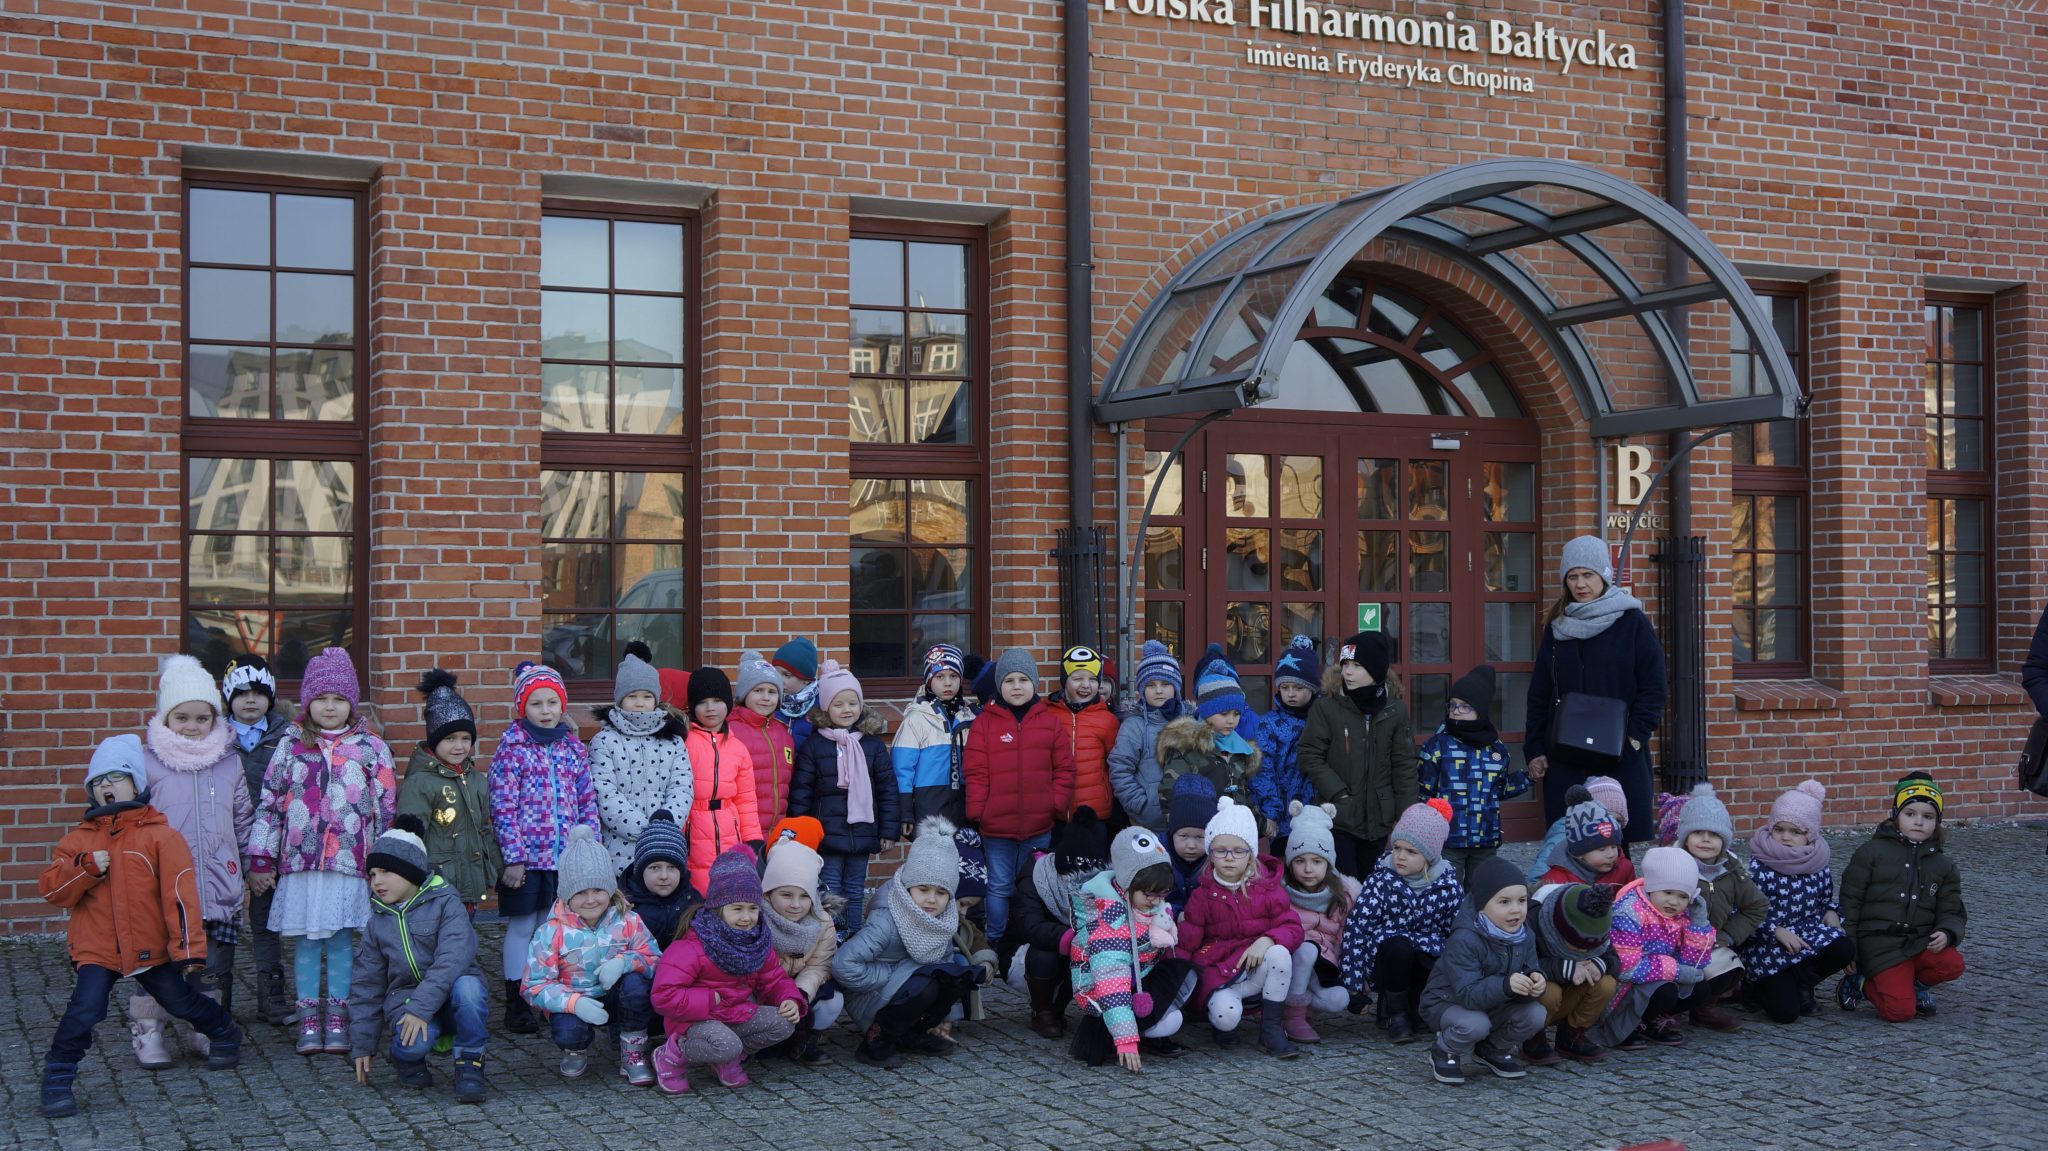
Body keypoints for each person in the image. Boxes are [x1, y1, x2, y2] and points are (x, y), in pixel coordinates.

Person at [38, 737, 245, 1118]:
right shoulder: (77, 841)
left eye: (116, 777)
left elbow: (180, 897)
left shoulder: (161, 837)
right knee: (85, 1010)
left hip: (150, 947)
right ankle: (58, 1077)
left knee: (179, 1001)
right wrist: (84, 868)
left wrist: (188, 949)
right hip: (97, 948)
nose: (106, 785)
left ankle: (224, 1032)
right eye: (98, 780)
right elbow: (53, 891)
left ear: (136, 784)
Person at [247, 646, 396, 1057]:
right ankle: (309, 1016)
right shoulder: (290, 746)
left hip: (349, 864)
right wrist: (261, 857)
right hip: (303, 864)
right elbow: (270, 804)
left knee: (343, 941)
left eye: (339, 699)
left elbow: (385, 809)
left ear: (352, 702)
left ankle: (339, 1014)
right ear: (307, 701)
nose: (330, 707)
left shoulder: (371, 748)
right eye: (321, 698)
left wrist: (385, 864)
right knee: (309, 941)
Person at [133, 654, 250, 1065]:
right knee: (157, 960)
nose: (192, 726)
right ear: (166, 718)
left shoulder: (228, 762)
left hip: (217, 882)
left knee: (209, 962)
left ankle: (204, 1027)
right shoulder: (147, 763)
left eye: (203, 718)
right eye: (182, 717)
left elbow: (243, 819)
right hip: (162, 885)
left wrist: (250, 867)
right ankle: (149, 1032)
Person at [1522, 534, 1667, 841]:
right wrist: (1535, 748)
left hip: (1618, 752)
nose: (1580, 584)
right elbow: (1540, 693)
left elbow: (1654, 686)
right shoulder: (1557, 626)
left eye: (1588, 574)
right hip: (1565, 753)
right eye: (1572, 576)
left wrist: (1635, 737)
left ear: (1604, 575)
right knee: (1567, 840)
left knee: (1615, 841)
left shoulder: (1632, 622)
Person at [488, 660, 598, 1036]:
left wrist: (589, 851)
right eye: (537, 704)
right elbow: (502, 807)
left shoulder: (573, 749)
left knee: (555, 928)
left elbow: (587, 802)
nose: (546, 711)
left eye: (552, 703)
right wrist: (514, 857)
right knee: (524, 926)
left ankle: (549, 995)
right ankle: (516, 1000)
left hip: (564, 859)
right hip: (527, 859)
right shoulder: (512, 749)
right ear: (523, 708)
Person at [831, 816, 994, 1068]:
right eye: (923, 890)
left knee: (955, 975)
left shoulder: (942, 920)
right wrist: (892, 975)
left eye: (941, 893)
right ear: (908, 888)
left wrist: (944, 1016)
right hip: (872, 997)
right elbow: (843, 964)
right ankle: (875, 1042)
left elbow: (944, 963)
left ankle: (912, 1033)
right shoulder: (886, 920)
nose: (932, 899)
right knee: (924, 983)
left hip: (906, 989)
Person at [347, 815, 488, 1102]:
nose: (376, 881)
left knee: (470, 988)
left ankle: (470, 1062)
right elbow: (367, 986)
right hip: (406, 999)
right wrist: (362, 1045)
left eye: (386, 872)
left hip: (450, 993)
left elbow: (452, 959)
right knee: (413, 1045)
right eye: (372, 874)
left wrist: (421, 1008)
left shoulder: (447, 904)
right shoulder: (376, 922)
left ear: (410, 872)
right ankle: (406, 1059)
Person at [649, 846, 805, 1094]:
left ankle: (725, 1058)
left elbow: (774, 978)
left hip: (735, 1013)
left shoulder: (756, 941)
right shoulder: (691, 946)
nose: (746, 917)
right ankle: (672, 1055)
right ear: (717, 908)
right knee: (726, 1045)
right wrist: (708, 999)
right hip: (693, 1021)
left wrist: (789, 998)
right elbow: (663, 996)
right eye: (737, 909)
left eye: (753, 908)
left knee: (783, 1023)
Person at [522, 825, 661, 1083]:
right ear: (566, 895)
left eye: (598, 890)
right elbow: (534, 986)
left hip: (617, 996)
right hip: (576, 1000)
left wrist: (624, 962)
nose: (590, 900)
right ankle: (576, 1048)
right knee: (568, 1032)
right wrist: (573, 1003)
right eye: (580, 893)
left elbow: (654, 959)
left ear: (610, 890)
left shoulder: (628, 920)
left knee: (636, 986)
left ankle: (632, 1049)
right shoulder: (551, 931)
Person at [963, 648, 1075, 950]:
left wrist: (1055, 804)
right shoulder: (985, 723)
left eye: (1023, 680)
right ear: (999, 685)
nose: (1016, 687)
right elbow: (975, 771)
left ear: (1034, 684)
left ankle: (1026, 940)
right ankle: (996, 941)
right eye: (1009, 680)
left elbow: (1064, 768)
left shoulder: (1049, 722)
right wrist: (978, 811)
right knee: (999, 885)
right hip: (996, 826)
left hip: (1039, 824)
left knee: (1032, 886)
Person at [1177, 796, 1305, 1058]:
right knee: (1226, 1018)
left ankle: (1271, 1030)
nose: (1229, 858)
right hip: (1221, 973)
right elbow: (1187, 942)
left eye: (1238, 850)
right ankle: (1220, 1021)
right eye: (1220, 850)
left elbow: (1292, 927)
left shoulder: (1267, 888)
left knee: (1280, 953)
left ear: (1251, 854)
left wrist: (1268, 940)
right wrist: (1177, 987)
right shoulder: (1202, 895)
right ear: (1210, 853)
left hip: (1257, 968)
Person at [1068, 826, 1200, 1071]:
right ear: (1128, 884)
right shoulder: (1110, 924)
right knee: (1171, 1020)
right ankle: (1130, 1032)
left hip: (1138, 975)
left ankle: (1147, 1027)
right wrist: (1126, 1040)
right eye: (1150, 894)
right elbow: (1110, 982)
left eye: (1162, 894)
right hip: (1102, 990)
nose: (1157, 901)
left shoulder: (1144, 904)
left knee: (1183, 975)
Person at [1838, 772, 1967, 1022]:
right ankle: (1862, 982)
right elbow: (1850, 904)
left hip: (1919, 942)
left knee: (1952, 964)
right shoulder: (1870, 853)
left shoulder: (1944, 865)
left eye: (1928, 816)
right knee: (1899, 1012)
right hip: (1879, 945)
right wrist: (1850, 949)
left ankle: (1915, 987)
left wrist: (1947, 931)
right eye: (1910, 814)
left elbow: (1952, 910)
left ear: (1937, 821)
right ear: (1896, 815)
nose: (1919, 822)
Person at [1338, 799, 1463, 1044]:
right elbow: (1357, 927)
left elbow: (1457, 932)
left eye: (1411, 852)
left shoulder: (1447, 885)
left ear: (1430, 855)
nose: (1400, 857)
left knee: (1433, 953)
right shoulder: (1381, 880)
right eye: (1397, 848)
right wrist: (1353, 983)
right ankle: (1396, 1013)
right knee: (1400, 947)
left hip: (1427, 955)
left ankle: (1419, 1005)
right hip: (1387, 958)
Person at [789, 660, 898, 936]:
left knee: (855, 887)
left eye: (853, 703)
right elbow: (802, 791)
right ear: (826, 708)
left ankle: (854, 934)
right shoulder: (815, 745)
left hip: (863, 830)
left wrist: (888, 830)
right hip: (827, 834)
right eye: (838, 704)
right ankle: (831, 937)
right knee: (830, 887)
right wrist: (801, 833)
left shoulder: (872, 744)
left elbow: (887, 789)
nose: (847, 709)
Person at [1419, 858, 1548, 1085]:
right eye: (1504, 902)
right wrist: (1506, 985)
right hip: (1447, 1002)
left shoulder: (1524, 933)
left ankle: (1492, 1049)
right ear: (1482, 904)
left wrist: (1536, 980)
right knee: (1475, 1024)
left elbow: (1530, 967)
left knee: (1535, 1014)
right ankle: (1444, 1050)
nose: (1515, 909)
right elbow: (1468, 994)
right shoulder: (1465, 938)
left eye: (1522, 900)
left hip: (1494, 1002)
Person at [1300, 630, 1417, 879]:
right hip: (1338, 816)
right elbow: (1310, 755)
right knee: (1344, 885)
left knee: (1372, 885)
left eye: (1356, 666)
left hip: (1379, 820)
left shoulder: (1395, 710)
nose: (1348, 672)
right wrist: (1338, 793)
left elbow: (1404, 764)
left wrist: (1406, 816)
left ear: (1375, 669)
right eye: (1345, 665)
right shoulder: (1326, 707)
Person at [220, 655, 295, 1026]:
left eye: (259, 693)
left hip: (270, 846)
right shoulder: (215, 739)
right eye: (241, 693)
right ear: (228, 697)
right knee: (221, 922)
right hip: (223, 842)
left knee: (266, 922)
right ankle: (217, 996)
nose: (251, 700)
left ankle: (272, 995)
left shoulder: (285, 737)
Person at [1739, 780, 1853, 1023]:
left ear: (1809, 835)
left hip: (1805, 934)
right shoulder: (1758, 867)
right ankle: (1755, 988)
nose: (1785, 837)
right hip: (1766, 943)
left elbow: (1824, 899)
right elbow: (1742, 911)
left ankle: (1801, 983)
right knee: (1785, 1014)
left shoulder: (1817, 863)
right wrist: (1774, 930)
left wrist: (1831, 911)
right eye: (1779, 829)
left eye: (1795, 832)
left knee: (1843, 947)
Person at [1591, 846, 1713, 1050]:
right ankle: (1626, 1023)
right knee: (1666, 991)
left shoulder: (1682, 914)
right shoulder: (1629, 911)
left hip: (1656, 977)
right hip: (1624, 986)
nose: (1674, 902)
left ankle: (1650, 1021)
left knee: (1699, 987)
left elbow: (1693, 964)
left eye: (1683, 896)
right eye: (1668, 892)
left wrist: (1699, 924)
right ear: (1652, 887)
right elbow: (1625, 968)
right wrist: (1676, 970)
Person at [588, 642, 693, 878]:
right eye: (632, 696)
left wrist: (664, 826)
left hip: (664, 845)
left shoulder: (672, 740)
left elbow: (682, 786)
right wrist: (643, 829)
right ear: (619, 699)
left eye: (647, 696)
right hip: (620, 848)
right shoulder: (604, 741)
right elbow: (604, 792)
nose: (639, 702)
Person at [396, 670, 500, 909]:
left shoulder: (476, 780)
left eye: (466, 738)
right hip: (434, 887)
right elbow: (410, 838)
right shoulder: (420, 783)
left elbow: (484, 829)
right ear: (435, 740)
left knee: (465, 931)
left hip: (471, 884)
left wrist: (500, 869)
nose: (459, 746)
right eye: (450, 738)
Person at [1417, 664, 1528, 882]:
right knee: (1447, 889)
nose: (1456, 710)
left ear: (1481, 710)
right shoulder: (1438, 746)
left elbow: (1499, 789)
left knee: (1481, 891)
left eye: (1465, 706)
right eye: (1452, 705)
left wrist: (1527, 778)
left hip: (1485, 839)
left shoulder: (1496, 749)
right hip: (1448, 839)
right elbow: (1424, 792)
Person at [1672, 782, 1766, 1032]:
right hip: (1672, 945)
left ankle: (1704, 1009)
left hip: (1710, 943)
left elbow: (1756, 906)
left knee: (1729, 966)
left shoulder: (1732, 870)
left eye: (1714, 835)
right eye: (1698, 832)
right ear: (1685, 837)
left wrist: (1727, 936)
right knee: (1671, 973)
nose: (1706, 839)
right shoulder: (1672, 864)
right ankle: (1669, 1010)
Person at [1009, 807, 1109, 1039]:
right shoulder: (1037, 874)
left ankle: (1058, 1007)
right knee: (1046, 954)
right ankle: (1042, 1010)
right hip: (1026, 954)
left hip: (1079, 950)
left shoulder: (1107, 880)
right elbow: (1030, 925)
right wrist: (1072, 938)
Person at [759, 819, 843, 1065]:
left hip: (802, 985)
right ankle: (763, 1040)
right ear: (769, 893)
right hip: (764, 987)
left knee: (832, 1000)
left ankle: (804, 1040)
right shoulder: (755, 918)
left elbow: (819, 965)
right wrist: (781, 993)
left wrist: (801, 993)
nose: (796, 905)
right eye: (786, 895)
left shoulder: (822, 920)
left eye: (804, 896)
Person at [681, 666, 765, 897]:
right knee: (697, 890)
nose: (710, 708)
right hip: (693, 830)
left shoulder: (738, 748)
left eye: (717, 701)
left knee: (729, 891)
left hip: (729, 828)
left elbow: (746, 799)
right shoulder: (684, 743)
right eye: (702, 702)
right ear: (693, 707)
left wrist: (753, 838)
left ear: (727, 703)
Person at [1278, 801, 1358, 1043]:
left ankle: (1297, 1007)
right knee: (1306, 949)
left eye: (1317, 861)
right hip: (1288, 967)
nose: (1308, 869)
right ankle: (1293, 1015)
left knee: (1339, 999)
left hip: (1322, 969)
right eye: (1300, 860)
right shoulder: (1279, 892)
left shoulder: (1343, 896)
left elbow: (1345, 940)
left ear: (1329, 863)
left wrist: (1353, 979)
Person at [1526, 882, 1618, 1065]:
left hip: (1572, 993)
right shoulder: (1533, 919)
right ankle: (1533, 1037)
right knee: (1549, 991)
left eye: (1590, 947)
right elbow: (1523, 965)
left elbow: (1614, 960)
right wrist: (1564, 968)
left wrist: (1600, 964)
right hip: (1538, 997)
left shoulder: (1596, 921)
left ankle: (1572, 1034)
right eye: (1577, 945)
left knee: (1606, 983)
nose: (1584, 952)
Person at [1158, 655, 1262, 809]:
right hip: (1200, 823)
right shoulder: (1186, 748)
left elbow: (1245, 796)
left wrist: (1257, 820)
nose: (1231, 720)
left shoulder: (1241, 749)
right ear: (1206, 712)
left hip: (1236, 823)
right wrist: (1184, 824)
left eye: (1236, 714)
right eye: (1224, 714)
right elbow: (1170, 794)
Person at [891, 643, 977, 831]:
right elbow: (902, 769)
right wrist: (905, 813)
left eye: (953, 676)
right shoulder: (916, 719)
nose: (948, 683)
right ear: (929, 680)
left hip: (965, 807)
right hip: (928, 808)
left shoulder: (971, 717)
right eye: (940, 677)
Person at [1108, 640, 1188, 831]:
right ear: (1143, 689)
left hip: (1186, 823)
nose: (1159, 690)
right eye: (1151, 685)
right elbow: (1120, 768)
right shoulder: (1133, 726)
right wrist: (1140, 805)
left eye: (1165, 684)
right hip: (1147, 823)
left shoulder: (1190, 723)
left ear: (1176, 687)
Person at [1252, 636, 1324, 846]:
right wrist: (1271, 811)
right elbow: (1263, 770)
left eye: (1298, 688)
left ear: (1312, 688)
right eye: (1285, 687)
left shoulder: (1323, 720)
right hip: (1283, 818)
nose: (1291, 694)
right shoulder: (1269, 724)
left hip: (1318, 815)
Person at [1050, 644, 1121, 826]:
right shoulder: (1048, 715)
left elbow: (1116, 766)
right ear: (1065, 680)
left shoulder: (1108, 720)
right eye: (1077, 678)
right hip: (1055, 814)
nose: (1086, 685)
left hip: (1095, 814)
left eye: (1093, 679)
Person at [731, 650, 798, 830]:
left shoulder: (784, 734)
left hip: (777, 831)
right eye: (758, 690)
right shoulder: (731, 731)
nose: (766, 698)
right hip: (743, 830)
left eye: (772, 692)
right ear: (744, 694)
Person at [1525, 775, 1628, 887]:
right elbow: (1540, 875)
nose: (1611, 854)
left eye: (1618, 820)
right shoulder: (1564, 838)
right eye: (1602, 849)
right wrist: (1538, 889)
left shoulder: (1623, 866)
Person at [619, 809, 699, 950]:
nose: (664, 876)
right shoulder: (624, 907)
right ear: (640, 872)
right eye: (655, 868)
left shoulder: (693, 903)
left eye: (672, 867)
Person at [1163, 773, 1218, 915]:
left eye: (1200, 837)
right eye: (1183, 836)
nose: (1191, 845)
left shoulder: (1219, 858)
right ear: (1172, 833)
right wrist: (1175, 913)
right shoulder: (1158, 855)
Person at [772, 636, 821, 744]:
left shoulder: (822, 705)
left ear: (806, 680)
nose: (779, 680)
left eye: (787, 675)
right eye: (776, 673)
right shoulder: (769, 701)